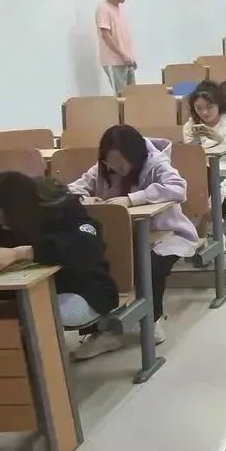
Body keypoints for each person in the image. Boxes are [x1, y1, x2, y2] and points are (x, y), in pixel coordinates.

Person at [67, 125, 200, 356]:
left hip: (164, 235)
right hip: (121, 238)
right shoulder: (102, 168)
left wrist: (131, 199)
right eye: (109, 163)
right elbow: (73, 189)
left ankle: (152, 318)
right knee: (89, 263)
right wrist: (85, 199)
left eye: (120, 164)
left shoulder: (156, 162)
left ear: (135, 156)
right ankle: (100, 330)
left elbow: (178, 188)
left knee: (149, 265)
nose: (114, 169)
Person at [0, 172, 118, 343]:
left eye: (4, 215)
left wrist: (22, 253)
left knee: (31, 315)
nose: (0, 221)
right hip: (19, 296)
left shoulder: (61, 208)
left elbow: (86, 245)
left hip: (78, 290)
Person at [182, 81, 226, 238]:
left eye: (209, 107)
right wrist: (195, 145)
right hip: (203, 172)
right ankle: (207, 229)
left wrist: (220, 139)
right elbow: (191, 159)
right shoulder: (190, 126)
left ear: (219, 104)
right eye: (199, 108)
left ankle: (215, 233)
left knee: (216, 194)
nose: (204, 113)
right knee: (188, 191)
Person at [96, 0, 136, 94]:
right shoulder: (103, 9)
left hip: (125, 60)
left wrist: (129, 57)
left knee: (134, 94)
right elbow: (106, 35)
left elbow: (121, 37)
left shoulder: (118, 9)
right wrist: (123, 55)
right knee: (122, 95)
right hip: (113, 61)